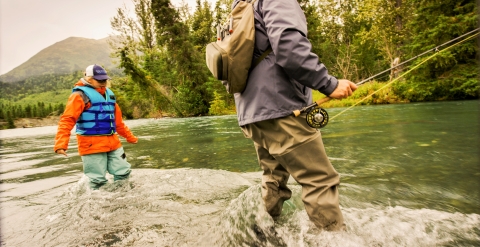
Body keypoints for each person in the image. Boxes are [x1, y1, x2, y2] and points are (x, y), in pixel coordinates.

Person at [231, 0, 358, 231]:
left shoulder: (244, 4)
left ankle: (262, 233)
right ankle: (334, 240)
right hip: (282, 109)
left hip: (253, 114)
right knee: (320, 180)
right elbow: (290, 50)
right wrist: (329, 84)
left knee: (274, 178)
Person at [54, 64, 138, 189]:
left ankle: (122, 199)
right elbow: (67, 120)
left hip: (113, 142)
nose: (103, 83)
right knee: (97, 181)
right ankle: (100, 204)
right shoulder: (79, 95)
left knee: (123, 173)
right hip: (91, 144)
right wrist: (61, 144)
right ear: (89, 79)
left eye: (104, 80)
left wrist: (130, 137)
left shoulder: (110, 95)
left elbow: (118, 122)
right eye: (99, 80)